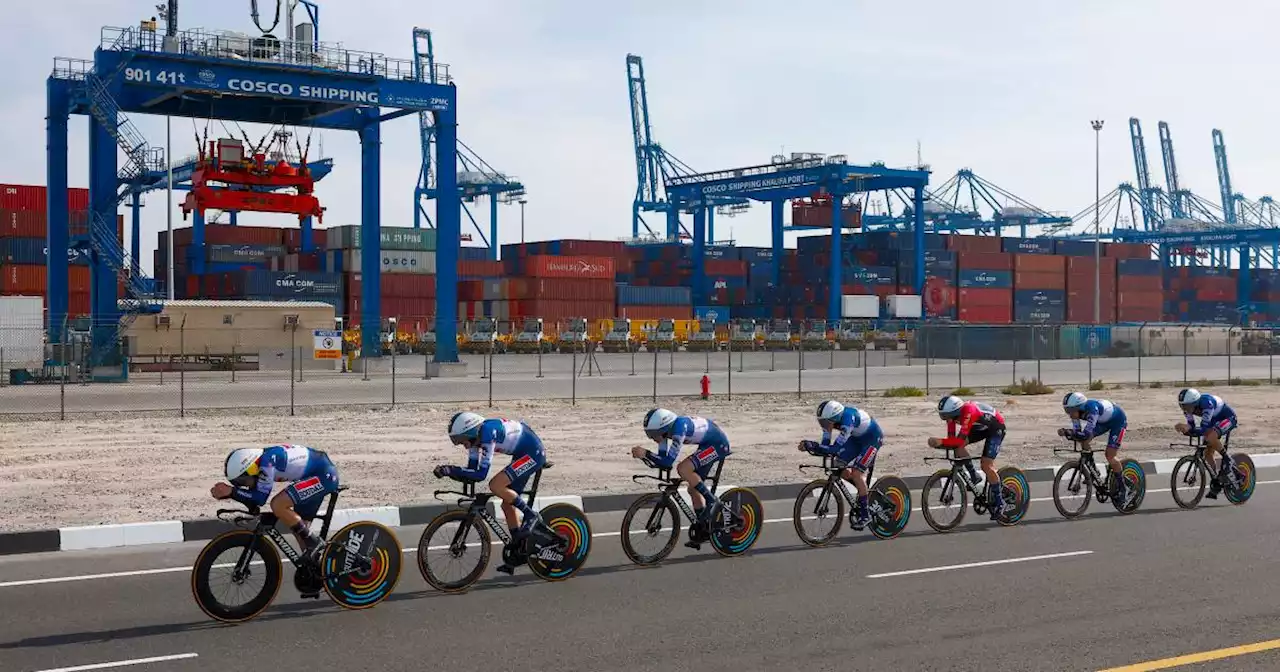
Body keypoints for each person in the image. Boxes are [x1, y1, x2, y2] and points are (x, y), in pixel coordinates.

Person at [436, 412, 547, 574]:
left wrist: (450, 470)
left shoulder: (488, 432)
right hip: (521, 454)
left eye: (463, 440)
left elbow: (481, 474)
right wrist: (449, 471)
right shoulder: (476, 439)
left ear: (472, 432)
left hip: (533, 453)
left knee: (495, 485)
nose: (464, 446)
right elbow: (472, 470)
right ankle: (519, 548)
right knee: (506, 505)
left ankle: (531, 515)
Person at [215, 445, 340, 565]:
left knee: (278, 504)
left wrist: (232, 491)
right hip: (314, 474)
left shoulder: (266, 462)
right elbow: (254, 498)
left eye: (242, 480)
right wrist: (233, 494)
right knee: (299, 528)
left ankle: (315, 543)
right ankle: (319, 569)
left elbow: (260, 498)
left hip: (324, 475)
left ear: (250, 468)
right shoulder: (262, 460)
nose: (244, 484)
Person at [631, 408, 732, 549]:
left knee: (683, 468)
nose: (652, 438)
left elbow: (668, 462)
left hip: (718, 444)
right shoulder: (665, 434)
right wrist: (646, 457)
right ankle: (704, 526)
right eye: (649, 434)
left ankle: (711, 500)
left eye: (653, 434)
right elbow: (662, 461)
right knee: (692, 488)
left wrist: (646, 453)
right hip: (707, 444)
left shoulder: (679, 428)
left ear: (664, 428)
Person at [797, 400, 883, 530]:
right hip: (856, 439)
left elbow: (835, 449)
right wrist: (812, 448)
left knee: (856, 473)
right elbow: (826, 447)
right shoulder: (832, 422)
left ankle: (865, 515)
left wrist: (814, 445)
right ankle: (863, 490)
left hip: (872, 439)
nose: (824, 425)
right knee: (837, 465)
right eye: (821, 422)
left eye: (825, 422)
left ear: (835, 418)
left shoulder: (848, 420)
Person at [929, 395, 1006, 520]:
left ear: (955, 412)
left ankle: (1000, 502)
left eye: (947, 416)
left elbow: (958, 440)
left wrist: (940, 442)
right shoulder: (952, 417)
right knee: (958, 448)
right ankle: (974, 475)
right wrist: (942, 443)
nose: (946, 419)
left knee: (986, 465)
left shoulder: (968, 411)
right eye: (943, 416)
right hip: (980, 427)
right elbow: (952, 440)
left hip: (995, 428)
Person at [1058, 392, 1130, 503]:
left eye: (1070, 410)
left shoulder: (1092, 408)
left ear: (1079, 407)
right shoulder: (1076, 413)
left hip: (1118, 421)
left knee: (1110, 455)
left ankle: (1123, 488)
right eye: (1066, 410)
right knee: (1083, 441)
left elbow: (1086, 433)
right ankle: (1093, 470)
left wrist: (1070, 432)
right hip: (1103, 422)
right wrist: (1070, 433)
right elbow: (1078, 434)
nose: (1069, 414)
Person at [1174, 388, 1238, 499]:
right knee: (1207, 454)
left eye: (1186, 406)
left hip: (1227, 418)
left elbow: (1203, 428)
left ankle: (1228, 459)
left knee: (1210, 436)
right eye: (1182, 406)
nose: (1184, 409)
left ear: (1195, 403)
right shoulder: (1188, 408)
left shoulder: (1206, 403)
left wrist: (1188, 428)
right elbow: (1192, 425)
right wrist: (1185, 428)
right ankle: (1216, 480)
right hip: (1213, 421)